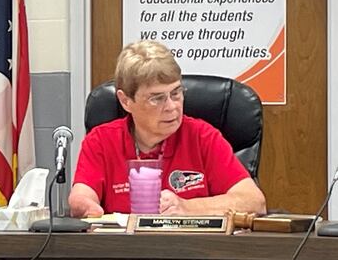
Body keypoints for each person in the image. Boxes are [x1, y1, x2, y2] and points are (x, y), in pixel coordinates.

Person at [68, 40, 266, 217]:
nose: (172, 106)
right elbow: (82, 197)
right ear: (126, 101)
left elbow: (254, 202)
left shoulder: (203, 137)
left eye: (176, 93)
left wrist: (187, 208)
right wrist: (85, 207)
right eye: (157, 98)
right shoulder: (101, 140)